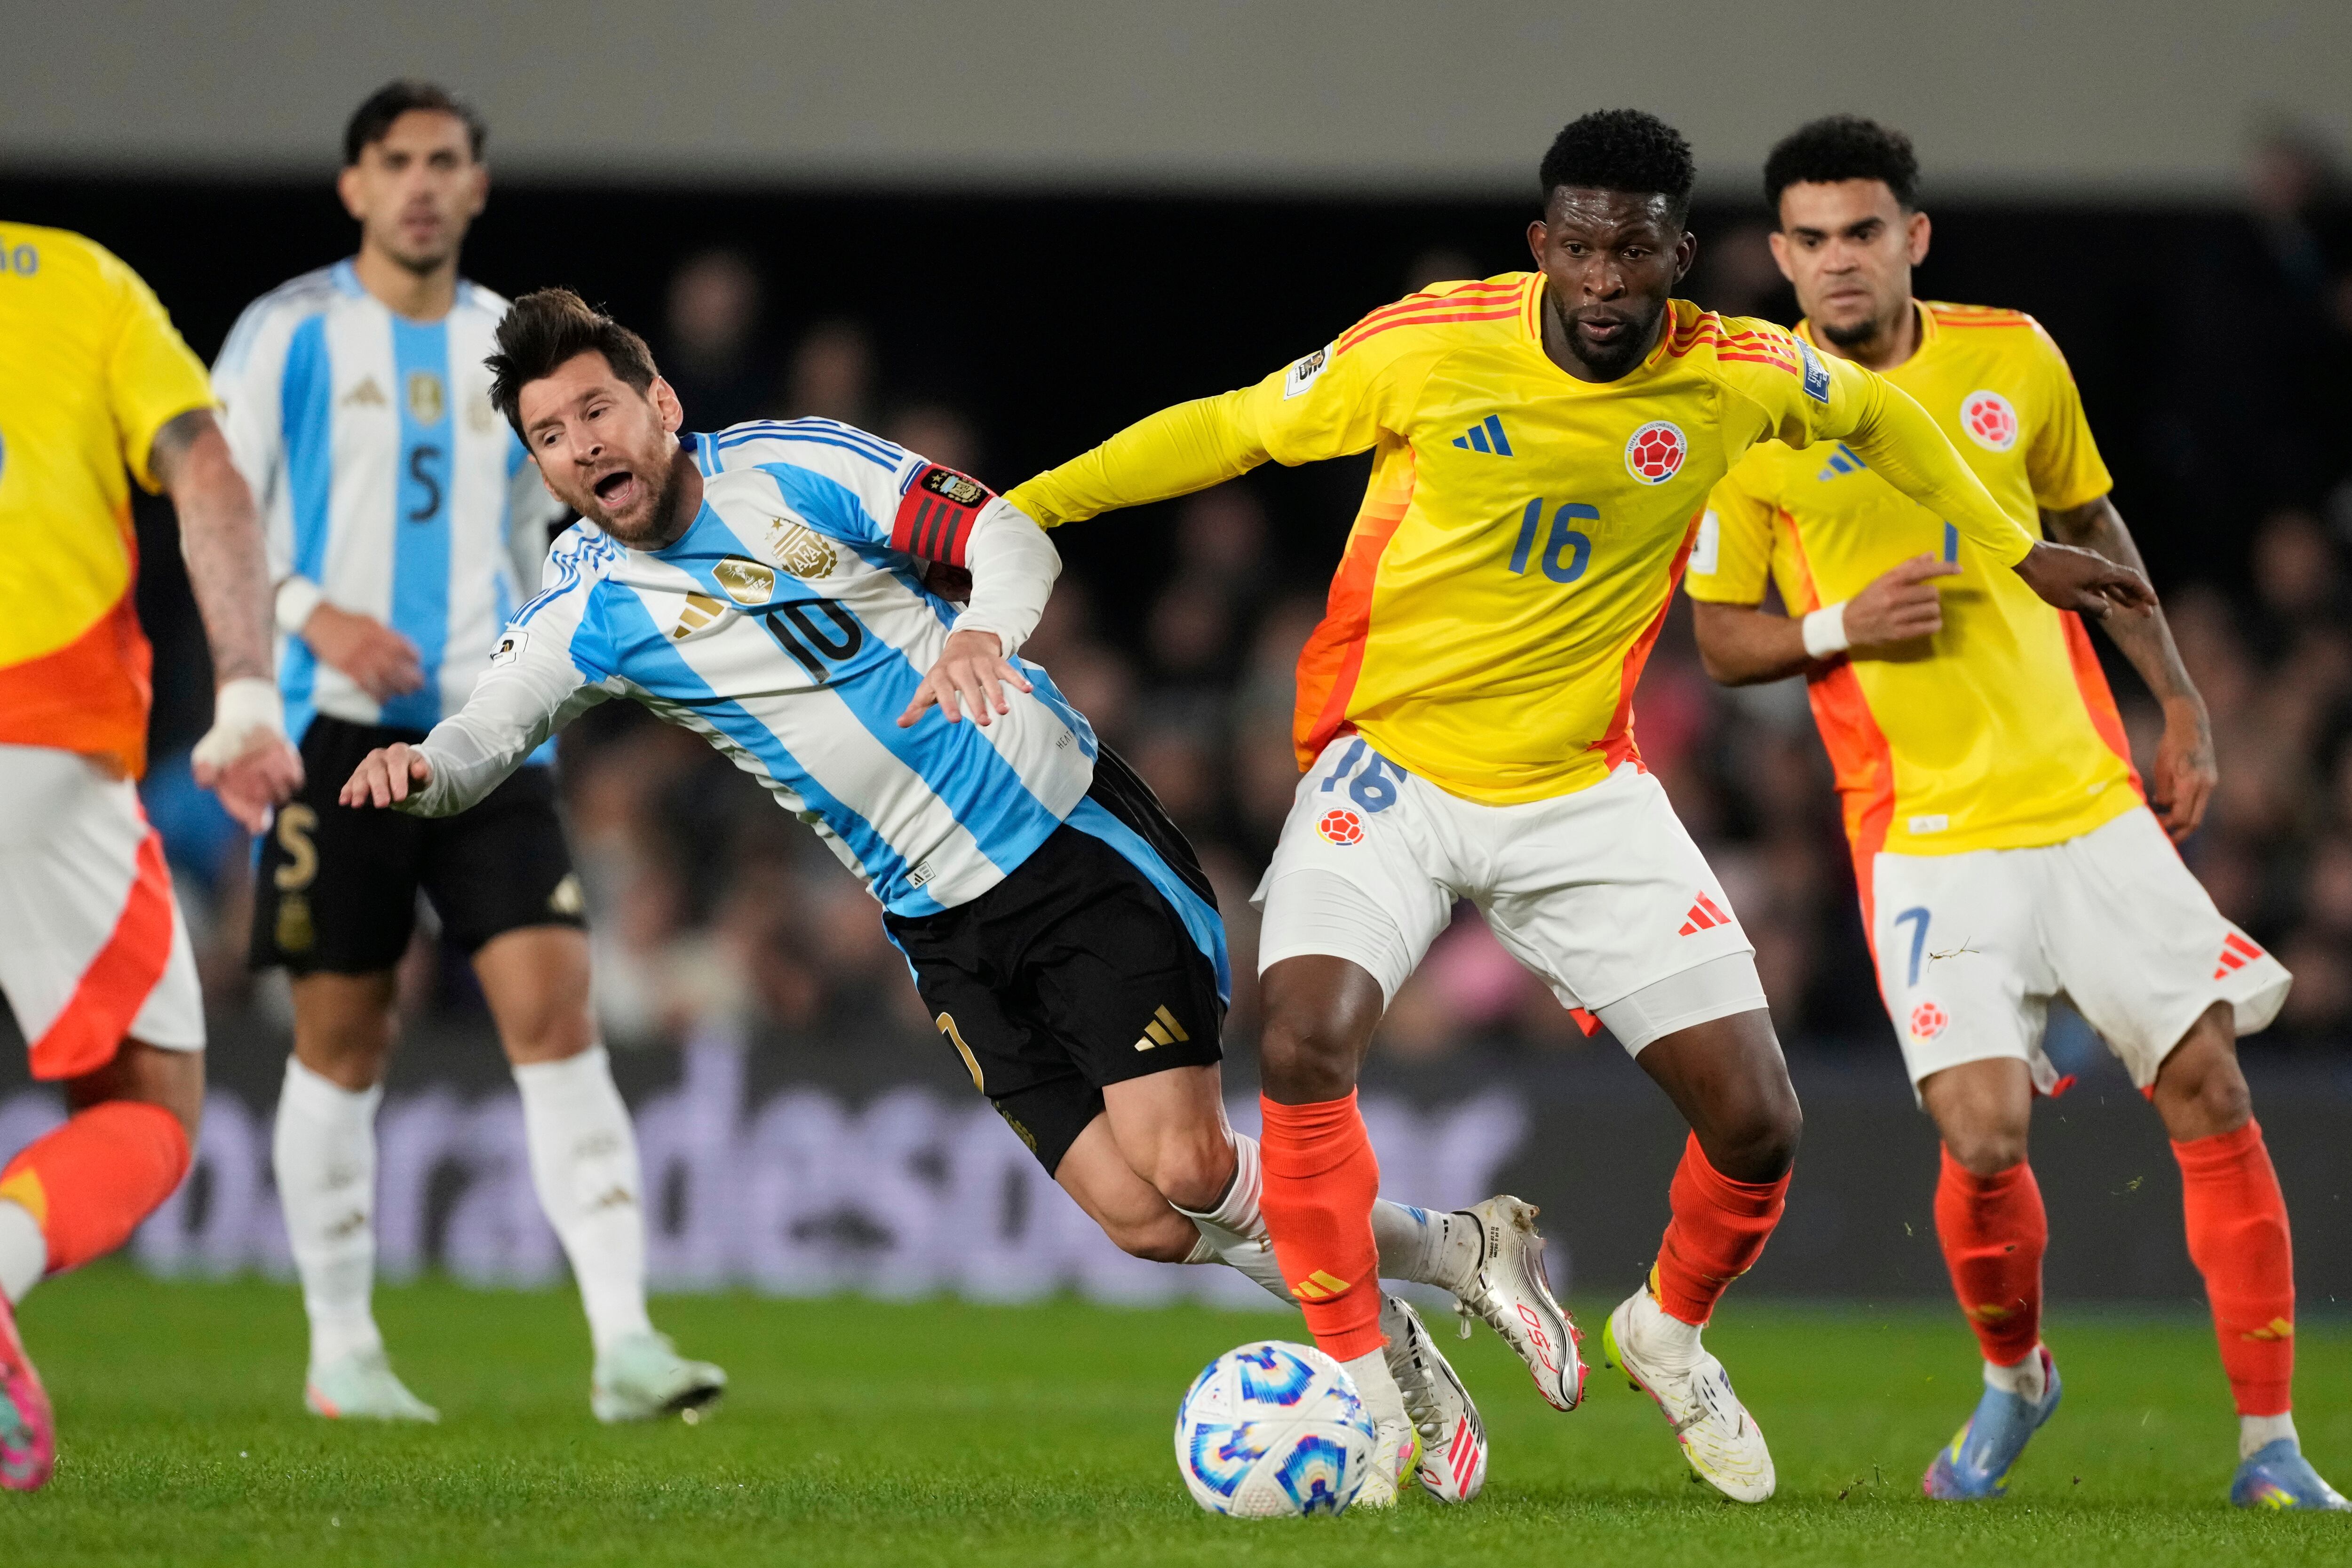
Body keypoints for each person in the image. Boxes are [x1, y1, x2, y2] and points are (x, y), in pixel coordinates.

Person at [1002, 108, 2153, 1504]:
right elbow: (1230, 431)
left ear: (1682, 253)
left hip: (1582, 793)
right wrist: (1027, 511)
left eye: (1639, 250)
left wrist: (2012, 544)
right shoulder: (1429, 342)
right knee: (1305, 1040)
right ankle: (1375, 1392)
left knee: (1758, 1121)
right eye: (1585, 248)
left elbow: (1886, 418)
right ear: (1544, 245)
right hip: (1396, 768)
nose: (1609, 279)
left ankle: (1666, 1331)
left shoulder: (1736, 371)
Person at [337, 287, 1574, 1508]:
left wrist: (986, 631)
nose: (583, 446)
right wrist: (423, 771)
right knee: (1142, 1222)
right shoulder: (588, 600)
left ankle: (1387, 1360)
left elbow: (1005, 534)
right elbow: (488, 731)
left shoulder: (794, 468)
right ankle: (1453, 1252)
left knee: (1189, 1163)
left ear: (660, 401)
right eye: (550, 437)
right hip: (936, 926)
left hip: (1065, 841)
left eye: (598, 410)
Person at [1685, 114, 2345, 1512]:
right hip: (1924, 833)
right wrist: (1837, 625)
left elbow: (2095, 528)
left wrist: (2182, 701)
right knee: (1984, 1135)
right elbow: (1721, 636)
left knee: (2209, 1084)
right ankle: (2015, 1378)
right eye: (1809, 238)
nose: (1836, 261)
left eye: (1863, 231)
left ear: (1912, 238)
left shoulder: (2014, 354)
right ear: (1782, 254)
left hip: (2086, 801)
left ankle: (2271, 1448)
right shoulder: (1750, 413)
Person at [211, 81, 722, 1425]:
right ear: (355, 187)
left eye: (447, 162)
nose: (424, 184)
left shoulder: (517, 349)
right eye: (399, 163)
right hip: (331, 729)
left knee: (557, 1015)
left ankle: (625, 1344)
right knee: (345, 1039)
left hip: (486, 738)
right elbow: (214, 511)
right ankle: (342, 1354)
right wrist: (306, 612)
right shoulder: (288, 338)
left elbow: (567, 522)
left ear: (478, 185)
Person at [0, 220, 302, 1491]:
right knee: (146, 1104)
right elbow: (210, 474)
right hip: (33, 731)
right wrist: (243, 690)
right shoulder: (75, 281)